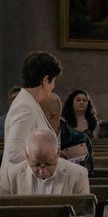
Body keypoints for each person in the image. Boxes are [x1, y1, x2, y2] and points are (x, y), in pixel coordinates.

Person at [0, 51, 60, 183]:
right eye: (53, 81)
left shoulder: (29, 102)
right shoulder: (25, 107)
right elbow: (14, 154)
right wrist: (51, 162)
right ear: (45, 80)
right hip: (19, 186)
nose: (53, 87)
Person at [0, 128, 89, 195]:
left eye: (48, 164)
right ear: (27, 156)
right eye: (36, 164)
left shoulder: (79, 174)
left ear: (57, 153)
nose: (42, 171)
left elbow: (84, 215)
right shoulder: (10, 176)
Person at [41, 93, 94, 175]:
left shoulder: (80, 139)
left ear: (50, 116)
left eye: (38, 113)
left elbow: (87, 172)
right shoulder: (33, 138)